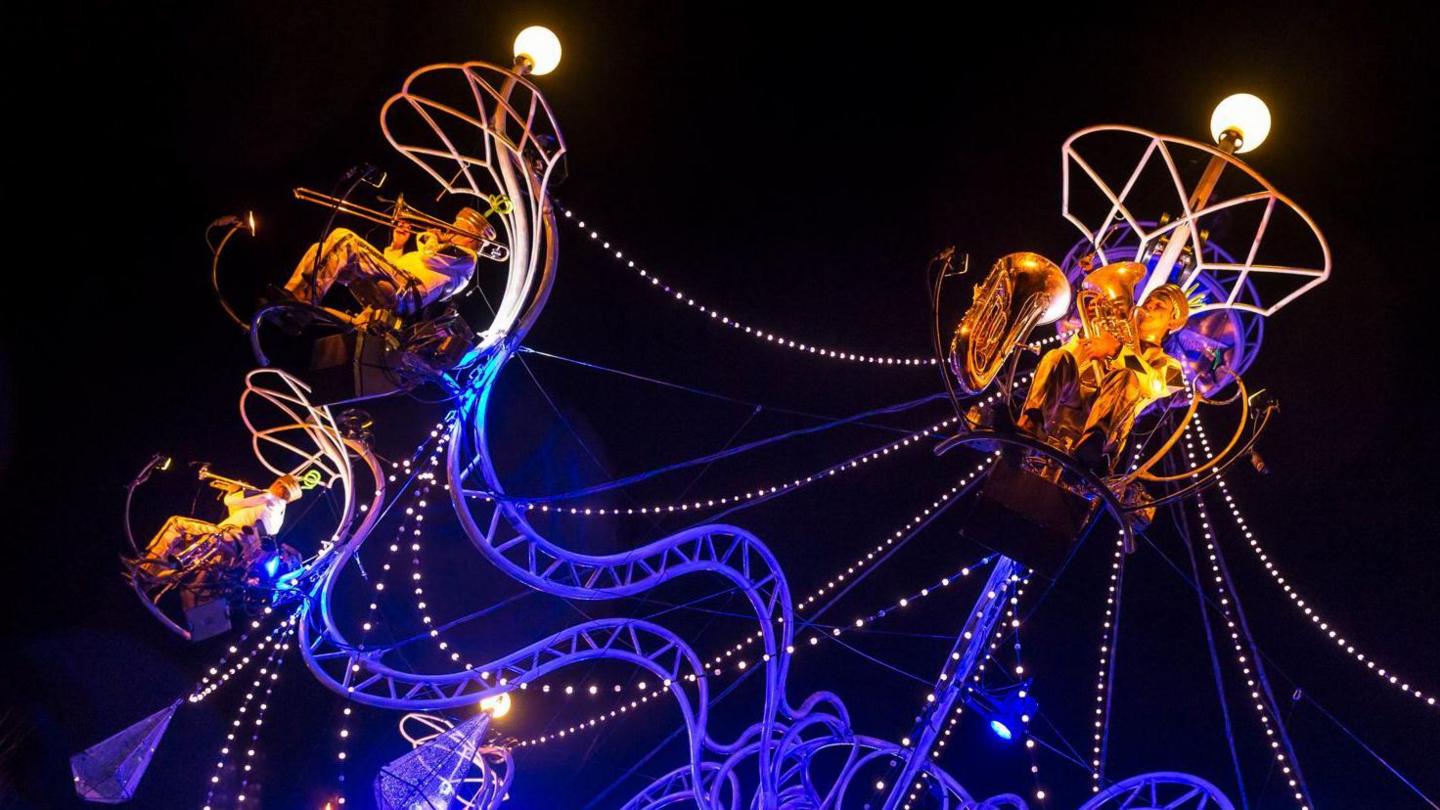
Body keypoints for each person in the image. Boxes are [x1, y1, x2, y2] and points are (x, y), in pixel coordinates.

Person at [1017, 283, 1190, 470]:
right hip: (1069, 407)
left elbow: (1158, 386)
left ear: (1174, 321)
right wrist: (1088, 330)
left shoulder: (1173, 367)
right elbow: (1066, 358)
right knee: (1056, 356)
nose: (1149, 305)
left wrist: (1117, 351)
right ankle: (1028, 424)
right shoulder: (1112, 337)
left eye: (1159, 306)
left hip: (1106, 432)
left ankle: (1090, 446)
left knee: (1127, 376)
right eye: (1149, 301)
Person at [281, 207, 495, 316]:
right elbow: (389, 267)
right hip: (398, 284)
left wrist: (432, 238)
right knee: (321, 251)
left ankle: (301, 306)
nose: (450, 229)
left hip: (407, 290)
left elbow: (430, 256)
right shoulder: (447, 254)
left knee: (343, 237)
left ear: (473, 238)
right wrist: (397, 245)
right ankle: (294, 300)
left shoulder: (467, 257)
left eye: (459, 228)